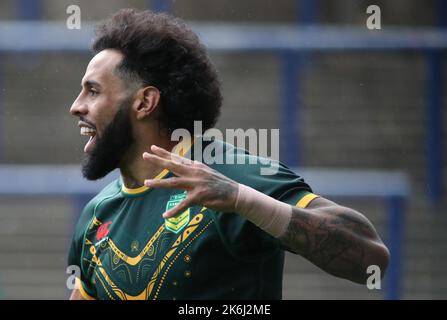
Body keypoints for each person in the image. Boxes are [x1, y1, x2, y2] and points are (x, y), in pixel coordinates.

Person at [68, 8, 389, 300]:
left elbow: (372, 258)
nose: (76, 106)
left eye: (93, 91)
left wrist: (241, 199)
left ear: (144, 102)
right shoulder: (97, 215)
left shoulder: (231, 175)